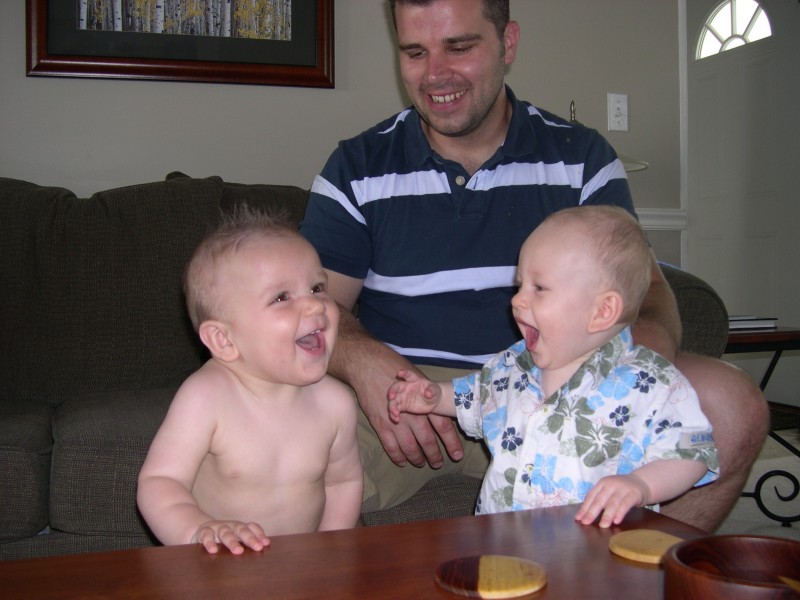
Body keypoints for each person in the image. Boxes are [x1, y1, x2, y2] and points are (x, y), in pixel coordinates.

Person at [299, 0, 767, 531]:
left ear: (508, 44)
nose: (435, 74)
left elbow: (649, 290)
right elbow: (311, 310)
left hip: (560, 383)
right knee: (256, 443)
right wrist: (363, 361)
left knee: (731, 405)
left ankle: (638, 575)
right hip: (408, 397)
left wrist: (635, 355)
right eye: (414, 51)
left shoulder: (581, 159)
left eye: (460, 46)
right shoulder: (356, 168)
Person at [388, 206, 719, 527]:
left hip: (594, 558)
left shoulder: (650, 382)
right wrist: (433, 397)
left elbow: (690, 453)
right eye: (520, 285)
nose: (517, 300)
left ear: (602, 311)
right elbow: (472, 397)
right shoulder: (513, 367)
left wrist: (642, 486)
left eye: (539, 288)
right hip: (502, 543)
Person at [137, 207, 363, 555]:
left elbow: (343, 481)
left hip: (302, 570)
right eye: (281, 297)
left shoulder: (336, 404)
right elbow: (159, 482)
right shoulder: (206, 397)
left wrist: (331, 546)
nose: (316, 306)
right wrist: (198, 530)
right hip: (219, 570)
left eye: (317, 288)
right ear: (224, 341)